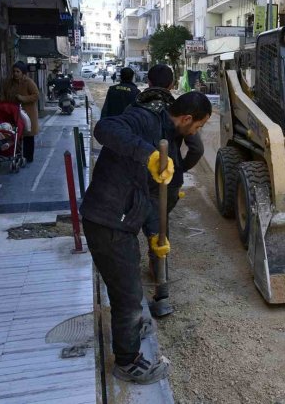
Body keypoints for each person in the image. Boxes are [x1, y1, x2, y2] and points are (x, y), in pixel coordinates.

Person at [80, 85, 211, 385]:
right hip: (106, 219)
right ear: (187, 118)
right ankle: (127, 362)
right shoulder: (144, 119)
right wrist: (149, 155)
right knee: (127, 295)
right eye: (199, 126)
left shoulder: (170, 135)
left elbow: (154, 195)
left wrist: (154, 233)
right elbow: (105, 127)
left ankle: (131, 329)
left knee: (130, 289)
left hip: (124, 220)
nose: (197, 133)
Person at [140, 65, 204, 306]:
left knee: (146, 224)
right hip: (168, 181)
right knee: (160, 227)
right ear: (172, 83)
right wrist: (181, 168)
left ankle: (155, 271)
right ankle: (160, 278)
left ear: (148, 81)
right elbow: (197, 148)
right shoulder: (177, 110)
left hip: (139, 179)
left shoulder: (138, 107)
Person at [0, 61, 39, 163]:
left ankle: (28, 158)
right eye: (14, 71)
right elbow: (4, 94)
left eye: (18, 71)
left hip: (27, 114)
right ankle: (16, 155)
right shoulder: (9, 83)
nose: (16, 73)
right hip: (13, 112)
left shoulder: (28, 82)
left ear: (23, 73)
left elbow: (36, 95)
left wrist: (22, 98)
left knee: (28, 136)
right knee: (14, 134)